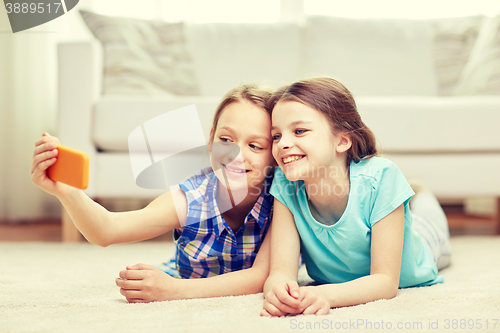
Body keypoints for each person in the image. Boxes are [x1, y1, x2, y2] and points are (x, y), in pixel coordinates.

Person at [31, 84, 276, 303]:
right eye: (226, 139)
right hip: (182, 274)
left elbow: (260, 277)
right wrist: (68, 193)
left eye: (255, 145)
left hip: (181, 285)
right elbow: (107, 230)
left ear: (274, 155)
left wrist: (174, 290)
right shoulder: (191, 199)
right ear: (211, 140)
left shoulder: (281, 200)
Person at [260, 77, 452, 316]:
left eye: (299, 131)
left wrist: (326, 295)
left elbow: (385, 282)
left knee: (429, 217)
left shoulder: (382, 176)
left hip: (422, 244)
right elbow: (280, 270)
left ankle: (419, 193)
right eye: (276, 136)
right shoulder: (283, 184)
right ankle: (408, 197)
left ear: (342, 141)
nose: (283, 144)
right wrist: (279, 289)